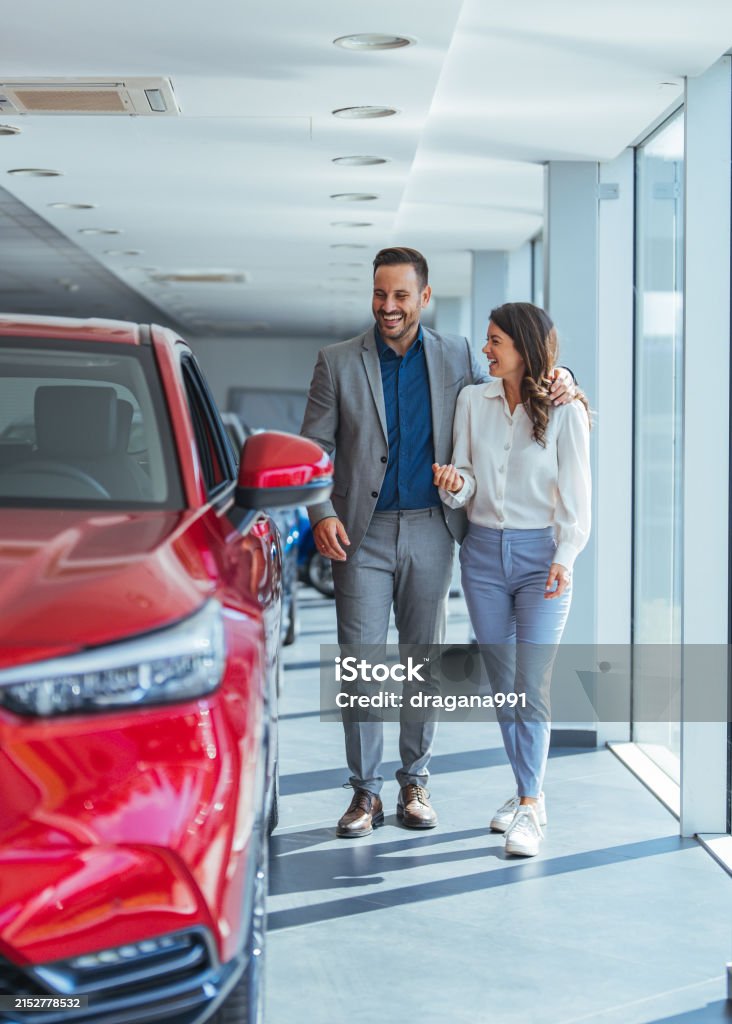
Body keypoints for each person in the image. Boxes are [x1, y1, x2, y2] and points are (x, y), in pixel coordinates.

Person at [302, 251, 572, 838]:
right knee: (362, 664)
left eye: (401, 296)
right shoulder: (337, 362)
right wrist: (319, 512)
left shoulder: (456, 356)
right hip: (360, 534)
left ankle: (414, 781)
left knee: (421, 661)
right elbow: (313, 450)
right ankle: (365, 792)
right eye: (380, 294)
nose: (388, 307)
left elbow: (514, 391)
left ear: (424, 298)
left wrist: (563, 377)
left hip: (433, 527)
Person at [433, 301, 591, 858]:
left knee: (532, 684)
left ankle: (528, 806)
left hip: (541, 557)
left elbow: (577, 495)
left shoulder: (565, 408)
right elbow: (466, 478)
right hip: (480, 557)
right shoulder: (473, 401)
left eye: (496, 340)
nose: (486, 349)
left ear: (524, 345)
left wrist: (566, 556)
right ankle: (530, 793)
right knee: (503, 685)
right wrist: (453, 483)